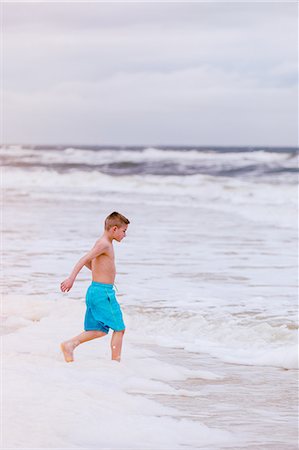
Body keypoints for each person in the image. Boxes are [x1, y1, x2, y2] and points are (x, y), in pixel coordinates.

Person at [60, 211, 130, 363]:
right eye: (124, 231)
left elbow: (88, 261)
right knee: (120, 328)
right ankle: (116, 364)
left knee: (98, 330)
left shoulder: (103, 243)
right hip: (103, 293)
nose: (125, 235)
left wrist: (100, 271)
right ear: (114, 229)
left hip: (95, 291)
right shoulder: (104, 244)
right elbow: (83, 259)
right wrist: (71, 278)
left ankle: (70, 345)